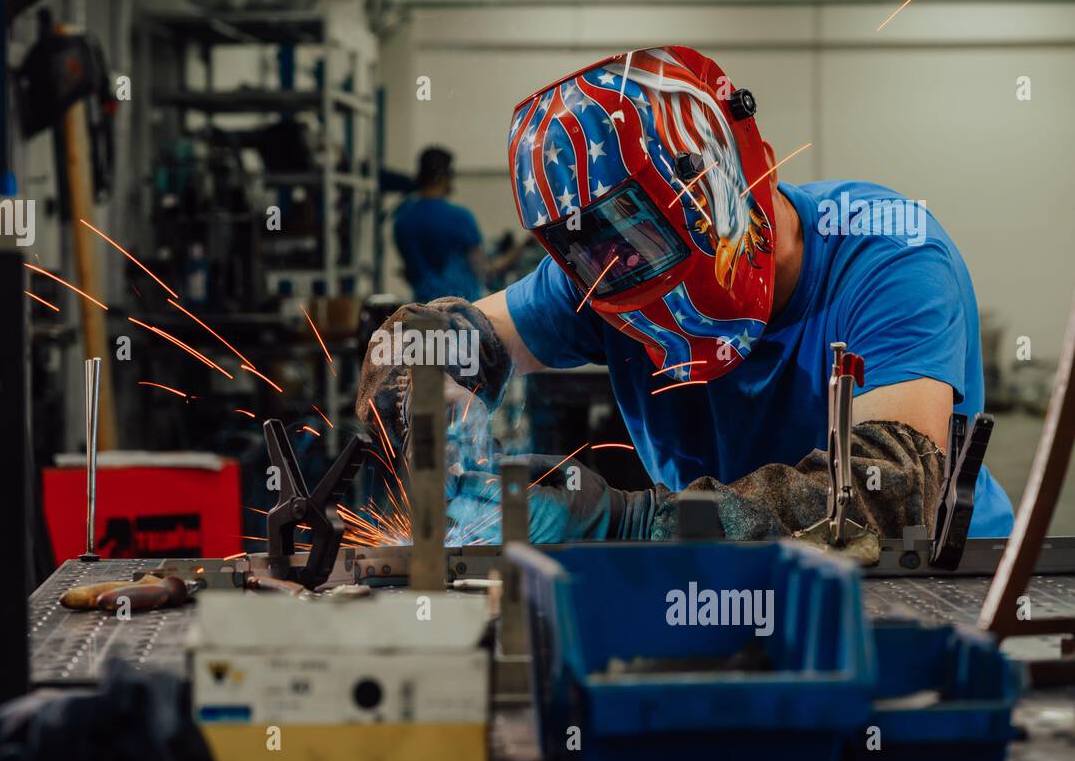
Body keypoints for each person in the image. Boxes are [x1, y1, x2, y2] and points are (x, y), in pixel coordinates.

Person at [357, 46, 1013, 544]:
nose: (627, 271)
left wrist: (635, 523)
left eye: (644, 240)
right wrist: (411, 365)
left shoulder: (891, 255)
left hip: (930, 579)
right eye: (602, 256)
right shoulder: (609, 273)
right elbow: (468, 335)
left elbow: (886, 495)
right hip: (718, 572)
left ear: (722, 186)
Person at [393, 147, 527, 302]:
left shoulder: (402, 219)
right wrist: (522, 246)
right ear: (443, 176)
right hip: (459, 313)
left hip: (422, 313)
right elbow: (486, 271)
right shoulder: (459, 218)